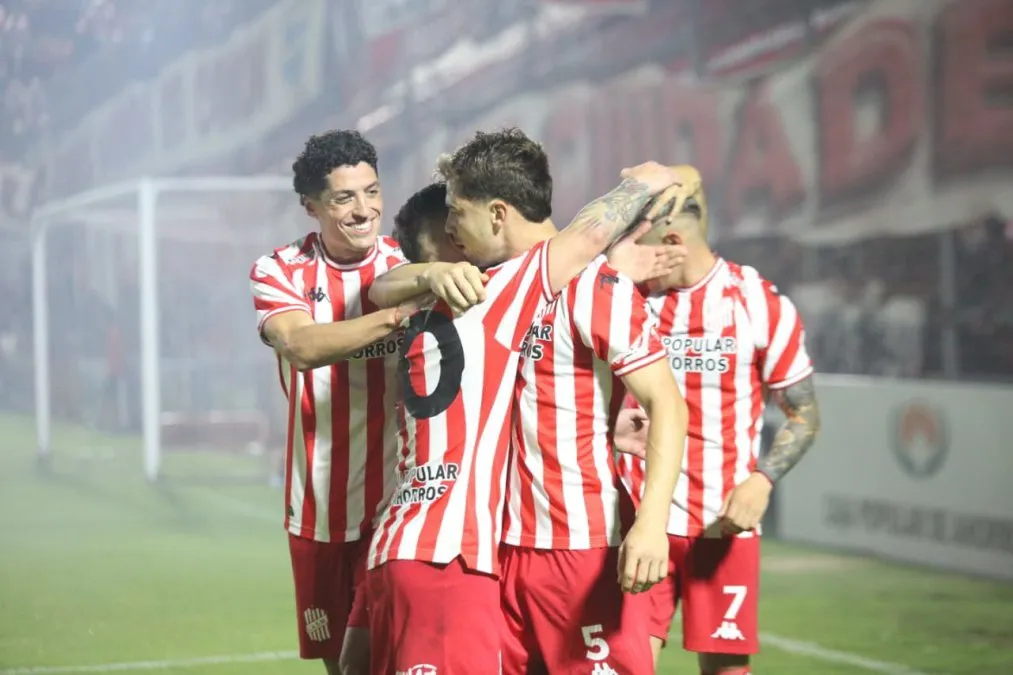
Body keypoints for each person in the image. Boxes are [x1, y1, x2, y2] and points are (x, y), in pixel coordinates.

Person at [363, 128, 688, 674]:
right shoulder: (486, 290)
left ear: (497, 213)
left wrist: (652, 522)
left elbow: (667, 405)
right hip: (497, 549)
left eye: (458, 212)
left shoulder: (592, 284)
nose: (450, 227)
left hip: (580, 545)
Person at [615, 166, 822, 675]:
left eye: (643, 246)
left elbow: (804, 413)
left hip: (721, 527)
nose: (636, 258)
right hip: (641, 524)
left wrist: (763, 479)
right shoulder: (625, 298)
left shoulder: (756, 301)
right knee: (626, 665)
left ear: (672, 240)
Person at [248, 130, 425, 675]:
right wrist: (396, 317)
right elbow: (302, 346)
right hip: (319, 505)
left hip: (399, 502)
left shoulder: (408, 262)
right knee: (344, 669)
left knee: (400, 659)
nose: (364, 209)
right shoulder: (279, 270)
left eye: (372, 192)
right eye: (344, 198)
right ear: (312, 206)